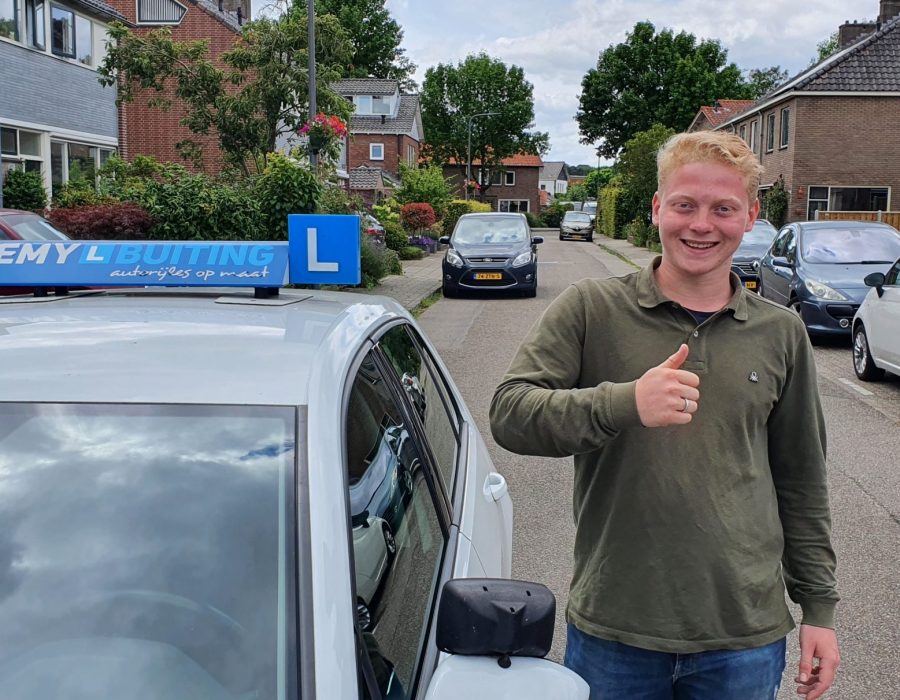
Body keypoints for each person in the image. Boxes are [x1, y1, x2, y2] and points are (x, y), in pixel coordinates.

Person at [489, 130, 839, 699]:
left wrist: (819, 608)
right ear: (657, 209)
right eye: (684, 205)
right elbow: (511, 413)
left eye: (723, 208)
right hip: (615, 629)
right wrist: (625, 403)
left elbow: (802, 479)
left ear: (750, 216)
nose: (701, 224)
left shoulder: (782, 332)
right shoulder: (591, 308)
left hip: (743, 636)